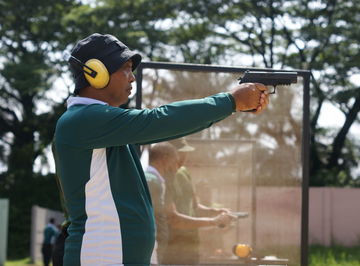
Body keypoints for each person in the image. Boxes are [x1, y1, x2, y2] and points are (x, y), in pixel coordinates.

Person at [53, 32, 269, 265]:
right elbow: (159, 120)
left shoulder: (99, 123)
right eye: (125, 68)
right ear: (95, 74)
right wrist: (231, 101)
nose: (132, 78)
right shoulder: (82, 120)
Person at [145, 142, 234, 265]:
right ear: (166, 157)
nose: (177, 166)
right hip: (169, 249)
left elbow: (194, 206)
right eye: (175, 160)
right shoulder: (154, 180)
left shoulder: (178, 174)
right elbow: (173, 219)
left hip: (186, 245)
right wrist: (214, 221)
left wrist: (216, 213)